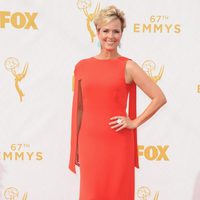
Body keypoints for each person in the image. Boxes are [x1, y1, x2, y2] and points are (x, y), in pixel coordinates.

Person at [68, 5, 167, 200]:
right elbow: (79, 108)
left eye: (116, 31)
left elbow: (159, 97)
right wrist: (76, 147)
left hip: (118, 142)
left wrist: (134, 122)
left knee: (118, 193)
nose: (110, 36)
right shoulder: (82, 66)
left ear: (122, 34)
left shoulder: (128, 66)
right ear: (97, 31)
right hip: (90, 143)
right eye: (106, 31)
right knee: (91, 194)